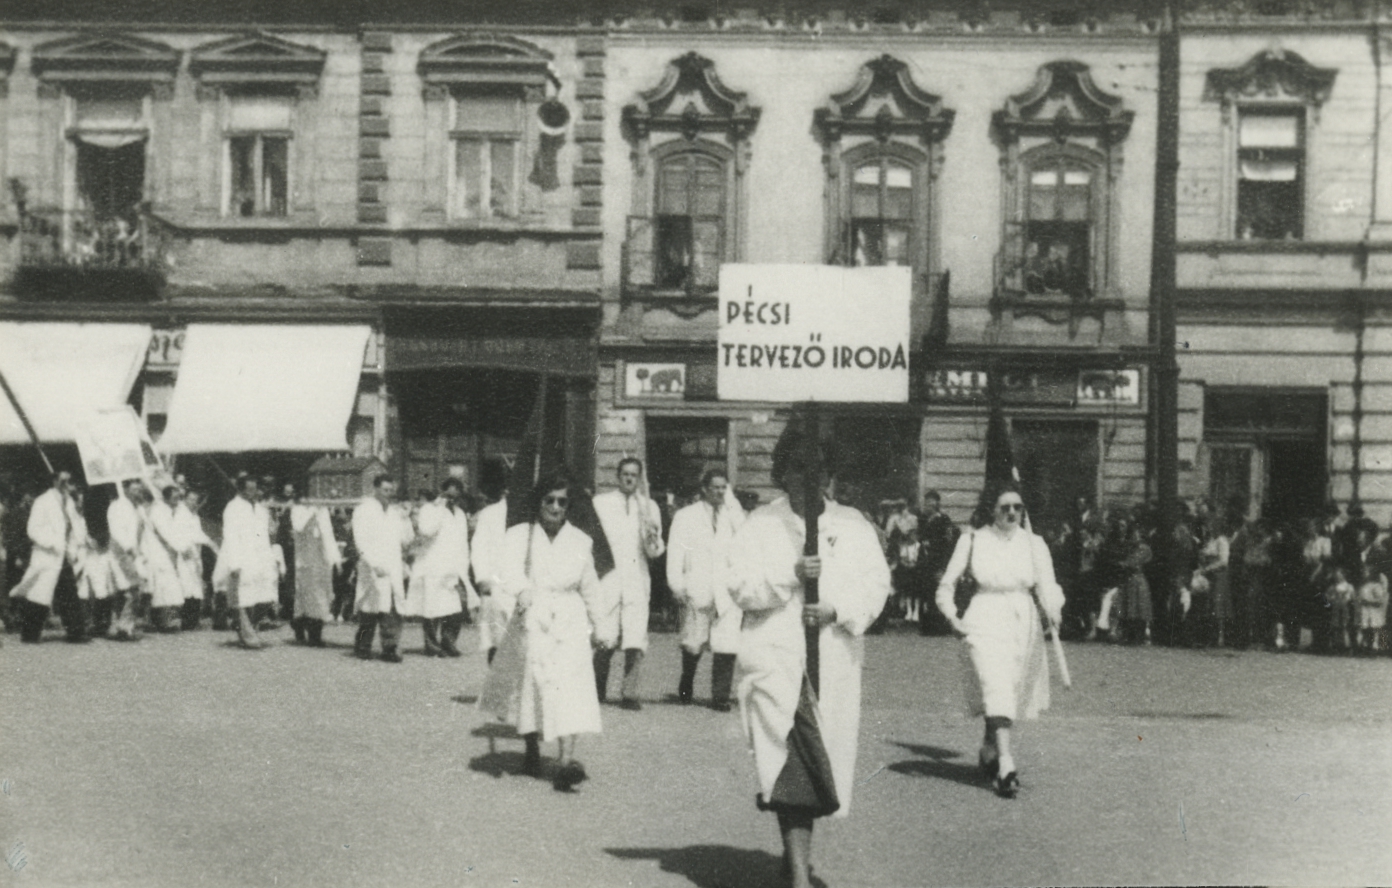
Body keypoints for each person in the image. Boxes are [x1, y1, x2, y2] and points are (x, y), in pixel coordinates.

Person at [728, 426, 890, 888]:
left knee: (817, 768)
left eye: (818, 468)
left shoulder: (853, 525)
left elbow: (875, 588)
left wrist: (837, 609)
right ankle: (800, 876)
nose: (808, 478)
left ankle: (795, 857)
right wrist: (790, 575)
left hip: (831, 663)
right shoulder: (760, 522)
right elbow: (740, 586)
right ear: (783, 471)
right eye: (798, 467)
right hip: (777, 661)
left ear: (829, 474)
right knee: (788, 766)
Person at [935, 482, 1065, 799]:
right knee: (995, 683)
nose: (1011, 512)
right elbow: (945, 586)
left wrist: (1054, 610)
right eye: (1004, 507)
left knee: (1009, 687)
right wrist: (953, 617)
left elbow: (1049, 586)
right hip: (984, 616)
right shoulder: (973, 539)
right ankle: (1006, 766)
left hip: (1023, 620)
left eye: (1017, 507)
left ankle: (991, 747)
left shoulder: (1035, 544)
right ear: (992, 509)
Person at [478, 472, 604, 791]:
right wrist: (521, 589)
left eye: (562, 501)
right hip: (533, 614)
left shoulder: (579, 540)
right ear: (539, 502)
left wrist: (601, 624)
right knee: (533, 685)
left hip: (569, 619)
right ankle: (532, 747)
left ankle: (565, 762)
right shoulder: (521, 535)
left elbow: (590, 586)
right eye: (549, 500)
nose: (556, 507)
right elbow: (507, 570)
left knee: (571, 687)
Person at [665, 468, 743, 710]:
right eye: (715, 487)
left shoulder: (733, 517)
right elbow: (676, 552)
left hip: (726, 590)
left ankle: (720, 696)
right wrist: (676, 583)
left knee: (727, 644)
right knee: (693, 643)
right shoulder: (686, 516)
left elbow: (743, 543)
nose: (720, 491)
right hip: (697, 585)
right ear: (704, 489)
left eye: (723, 487)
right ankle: (686, 685)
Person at [591, 458, 665, 709]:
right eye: (625, 474)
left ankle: (629, 694)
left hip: (636, 577)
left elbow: (655, 552)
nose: (629, 479)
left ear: (640, 477)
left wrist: (652, 535)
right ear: (617, 475)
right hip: (609, 578)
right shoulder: (601, 503)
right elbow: (592, 542)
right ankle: (596, 691)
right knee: (605, 637)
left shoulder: (649, 506)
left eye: (634, 475)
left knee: (635, 638)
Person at [7, 471, 82, 643]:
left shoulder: (69, 502)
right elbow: (33, 530)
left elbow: (74, 527)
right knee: (39, 595)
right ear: (55, 481)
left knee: (69, 593)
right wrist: (52, 543)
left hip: (64, 556)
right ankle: (29, 634)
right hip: (47, 556)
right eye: (63, 480)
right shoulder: (43, 502)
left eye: (69, 481)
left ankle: (76, 632)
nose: (67, 484)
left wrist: (74, 547)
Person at [410, 478, 477, 658]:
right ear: (442, 492)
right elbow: (426, 530)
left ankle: (449, 642)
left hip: (455, 567)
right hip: (434, 565)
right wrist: (439, 509)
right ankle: (432, 645)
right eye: (449, 494)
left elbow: (463, 542)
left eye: (456, 494)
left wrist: (465, 564)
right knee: (432, 608)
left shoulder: (461, 514)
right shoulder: (429, 510)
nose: (452, 498)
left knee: (457, 608)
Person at [214, 474, 280, 650]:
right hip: (241, 558)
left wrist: (270, 557)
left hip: (260, 559)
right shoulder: (233, 508)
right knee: (241, 599)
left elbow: (265, 535)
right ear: (241, 489)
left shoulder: (260, 509)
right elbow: (230, 537)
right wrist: (234, 563)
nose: (252, 493)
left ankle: (248, 629)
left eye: (254, 489)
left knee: (264, 598)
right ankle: (248, 635)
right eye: (248, 489)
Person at [351, 475, 413, 662]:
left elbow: (406, 540)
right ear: (375, 489)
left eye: (391, 490)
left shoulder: (395, 512)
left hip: (392, 566)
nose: (389, 494)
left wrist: (406, 519)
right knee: (370, 610)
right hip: (373, 566)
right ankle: (363, 646)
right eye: (385, 490)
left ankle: (390, 648)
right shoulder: (364, 510)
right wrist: (372, 563)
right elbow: (360, 540)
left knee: (392, 610)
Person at [471, 462, 510, 664]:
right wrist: (483, 578)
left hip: (523, 589)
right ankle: (495, 692)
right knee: (497, 640)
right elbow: (479, 548)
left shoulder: (533, 514)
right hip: (496, 585)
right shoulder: (490, 514)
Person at [289, 494, 339, 647]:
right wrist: (312, 510)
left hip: (321, 561)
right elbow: (298, 526)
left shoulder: (322, 510)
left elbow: (328, 534)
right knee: (308, 597)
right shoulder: (297, 510)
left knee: (321, 597)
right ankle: (305, 630)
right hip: (305, 561)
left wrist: (335, 557)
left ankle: (312, 632)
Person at [106, 478, 149, 641]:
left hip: (134, 553)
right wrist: (129, 548)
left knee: (132, 590)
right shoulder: (117, 506)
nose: (138, 492)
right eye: (134, 489)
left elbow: (142, 531)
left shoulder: (138, 508)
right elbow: (116, 531)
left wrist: (140, 552)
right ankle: (120, 626)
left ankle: (124, 626)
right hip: (121, 553)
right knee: (129, 590)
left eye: (139, 489)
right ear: (125, 490)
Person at [146, 485, 189, 633]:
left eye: (179, 498)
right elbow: (161, 532)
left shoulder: (175, 511)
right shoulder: (158, 511)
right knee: (162, 585)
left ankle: (169, 619)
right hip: (158, 551)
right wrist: (171, 548)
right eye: (174, 498)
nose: (177, 501)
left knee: (172, 585)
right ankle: (162, 621)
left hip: (171, 550)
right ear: (166, 498)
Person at [173, 488, 217, 631]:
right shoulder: (180, 514)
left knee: (196, 585)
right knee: (187, 586)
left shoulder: (194, 516)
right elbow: (184, 535)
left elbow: (198, 533)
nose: (193, 503)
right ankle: (187, 621)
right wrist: (208, 542)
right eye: (190, 499)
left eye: (195, 500)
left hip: (195, 554)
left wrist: (209, 542)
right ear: (185, 499)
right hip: (185, 553)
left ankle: (193, 619)